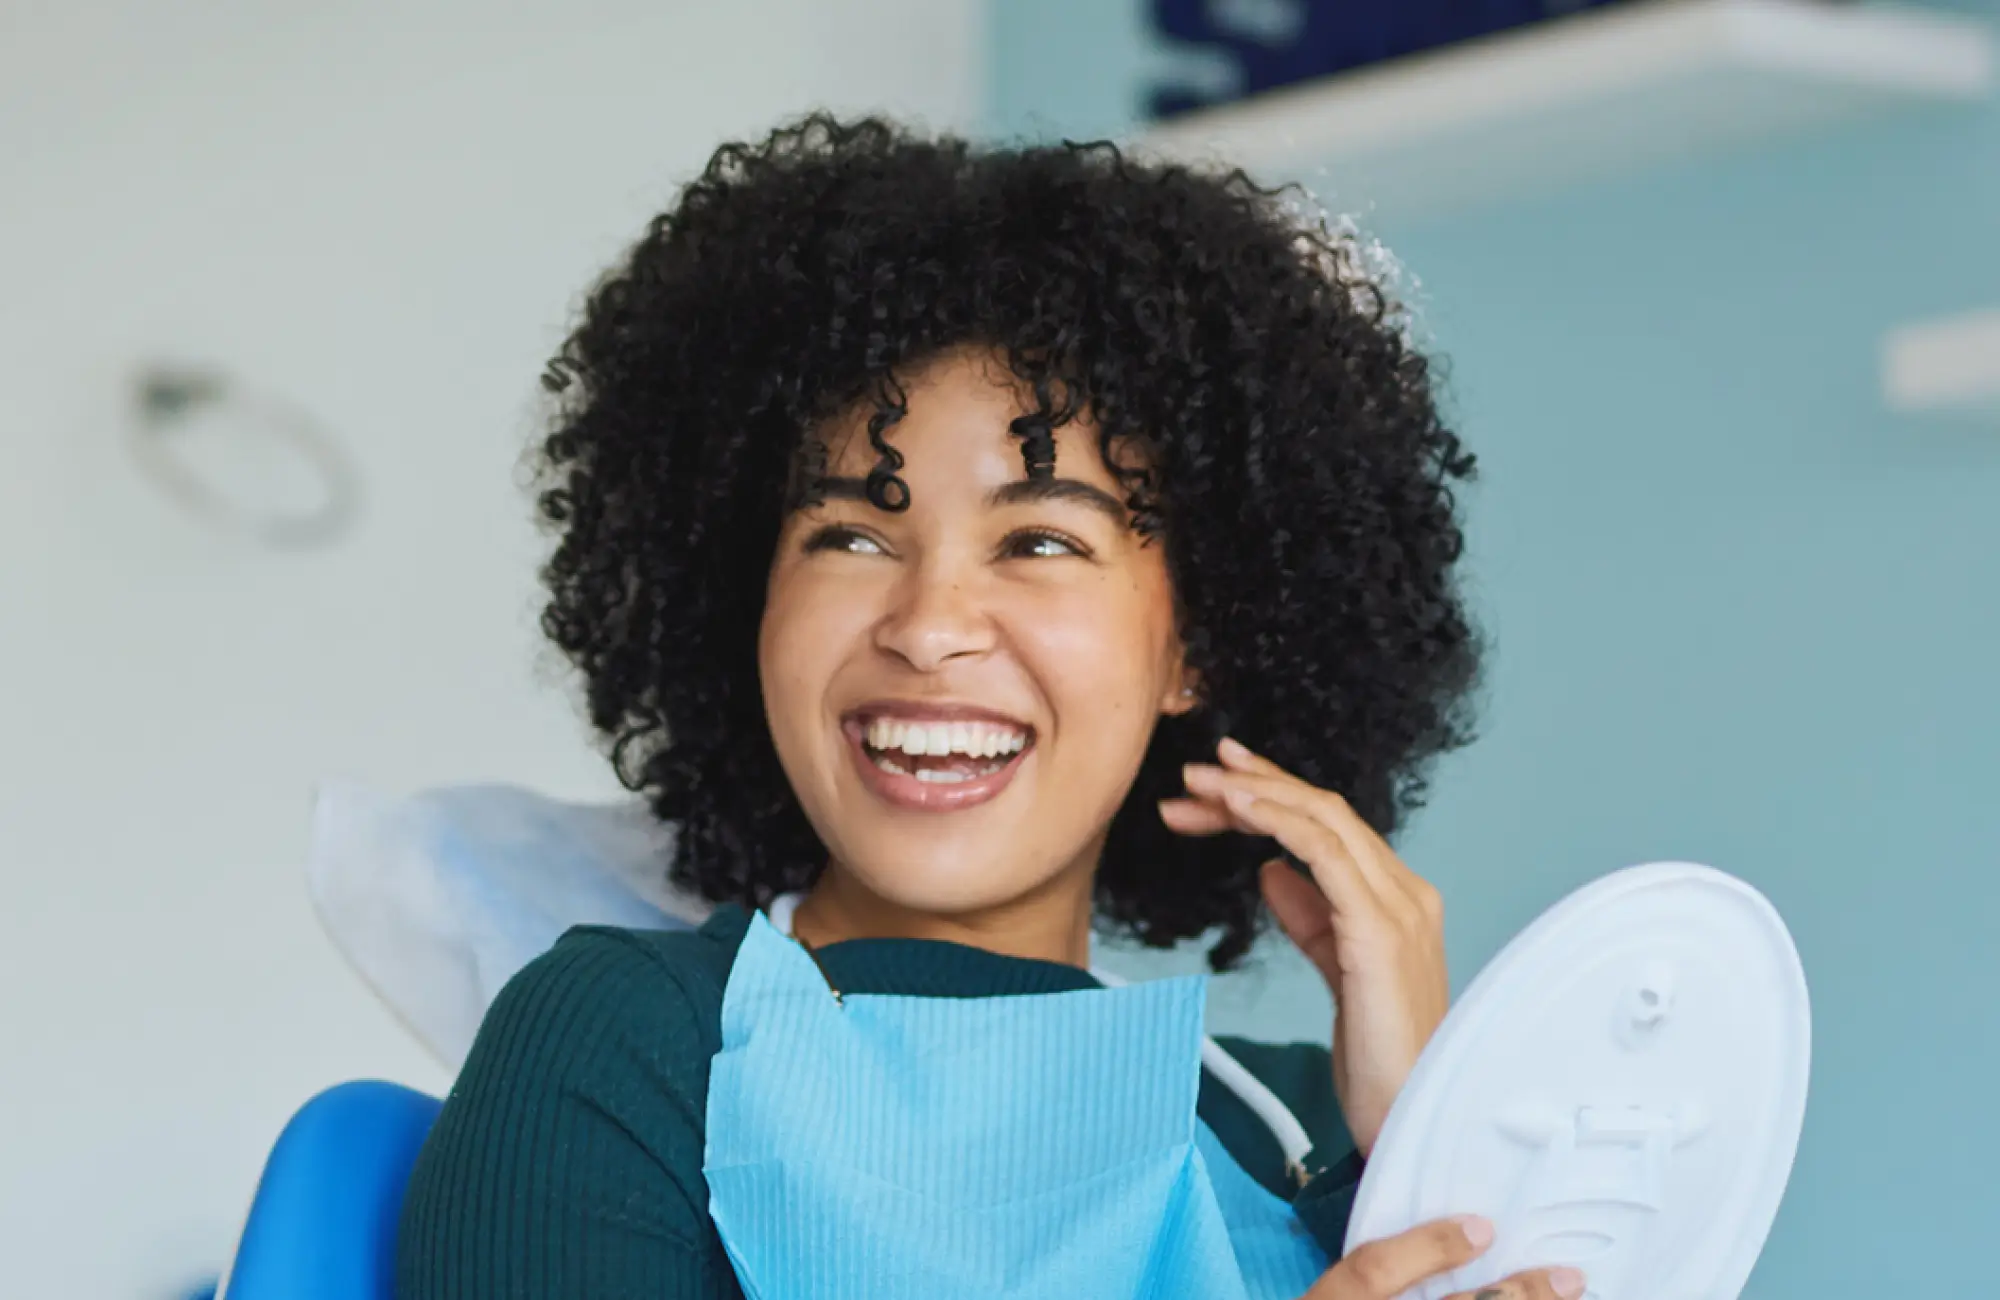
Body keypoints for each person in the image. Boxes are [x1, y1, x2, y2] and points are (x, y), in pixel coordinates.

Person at [395, 115, 1582, 1300]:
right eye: (851, 533)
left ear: (1199, 641)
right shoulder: (625, 1046)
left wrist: (1436, 1138)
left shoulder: (1314, 1124)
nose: (927, 623)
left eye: (1038, 539)